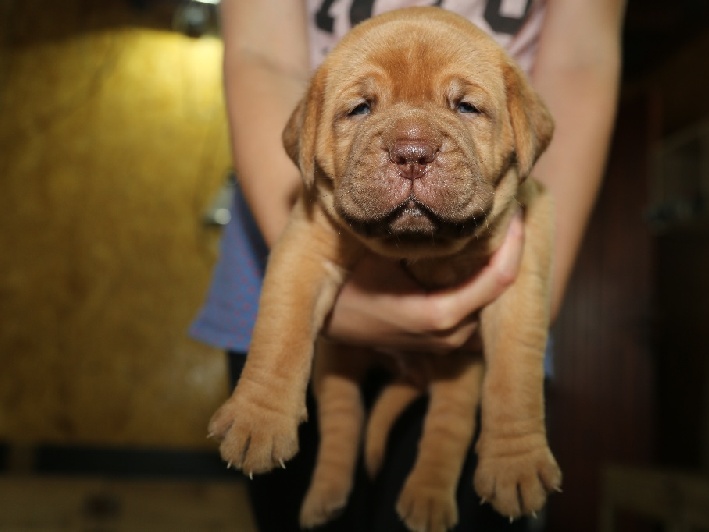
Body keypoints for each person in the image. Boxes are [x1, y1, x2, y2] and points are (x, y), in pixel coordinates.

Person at [191, 1, 625, 530]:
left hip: (481, 324)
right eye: (359, 108)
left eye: (466, 106)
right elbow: (259, 55)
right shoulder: (314, 193)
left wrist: (514, 432)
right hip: (270, 278)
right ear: (310, 143)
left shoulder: (522, 189)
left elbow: (582, 60)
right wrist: (267, 395)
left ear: (520, 131)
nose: (412, 146)